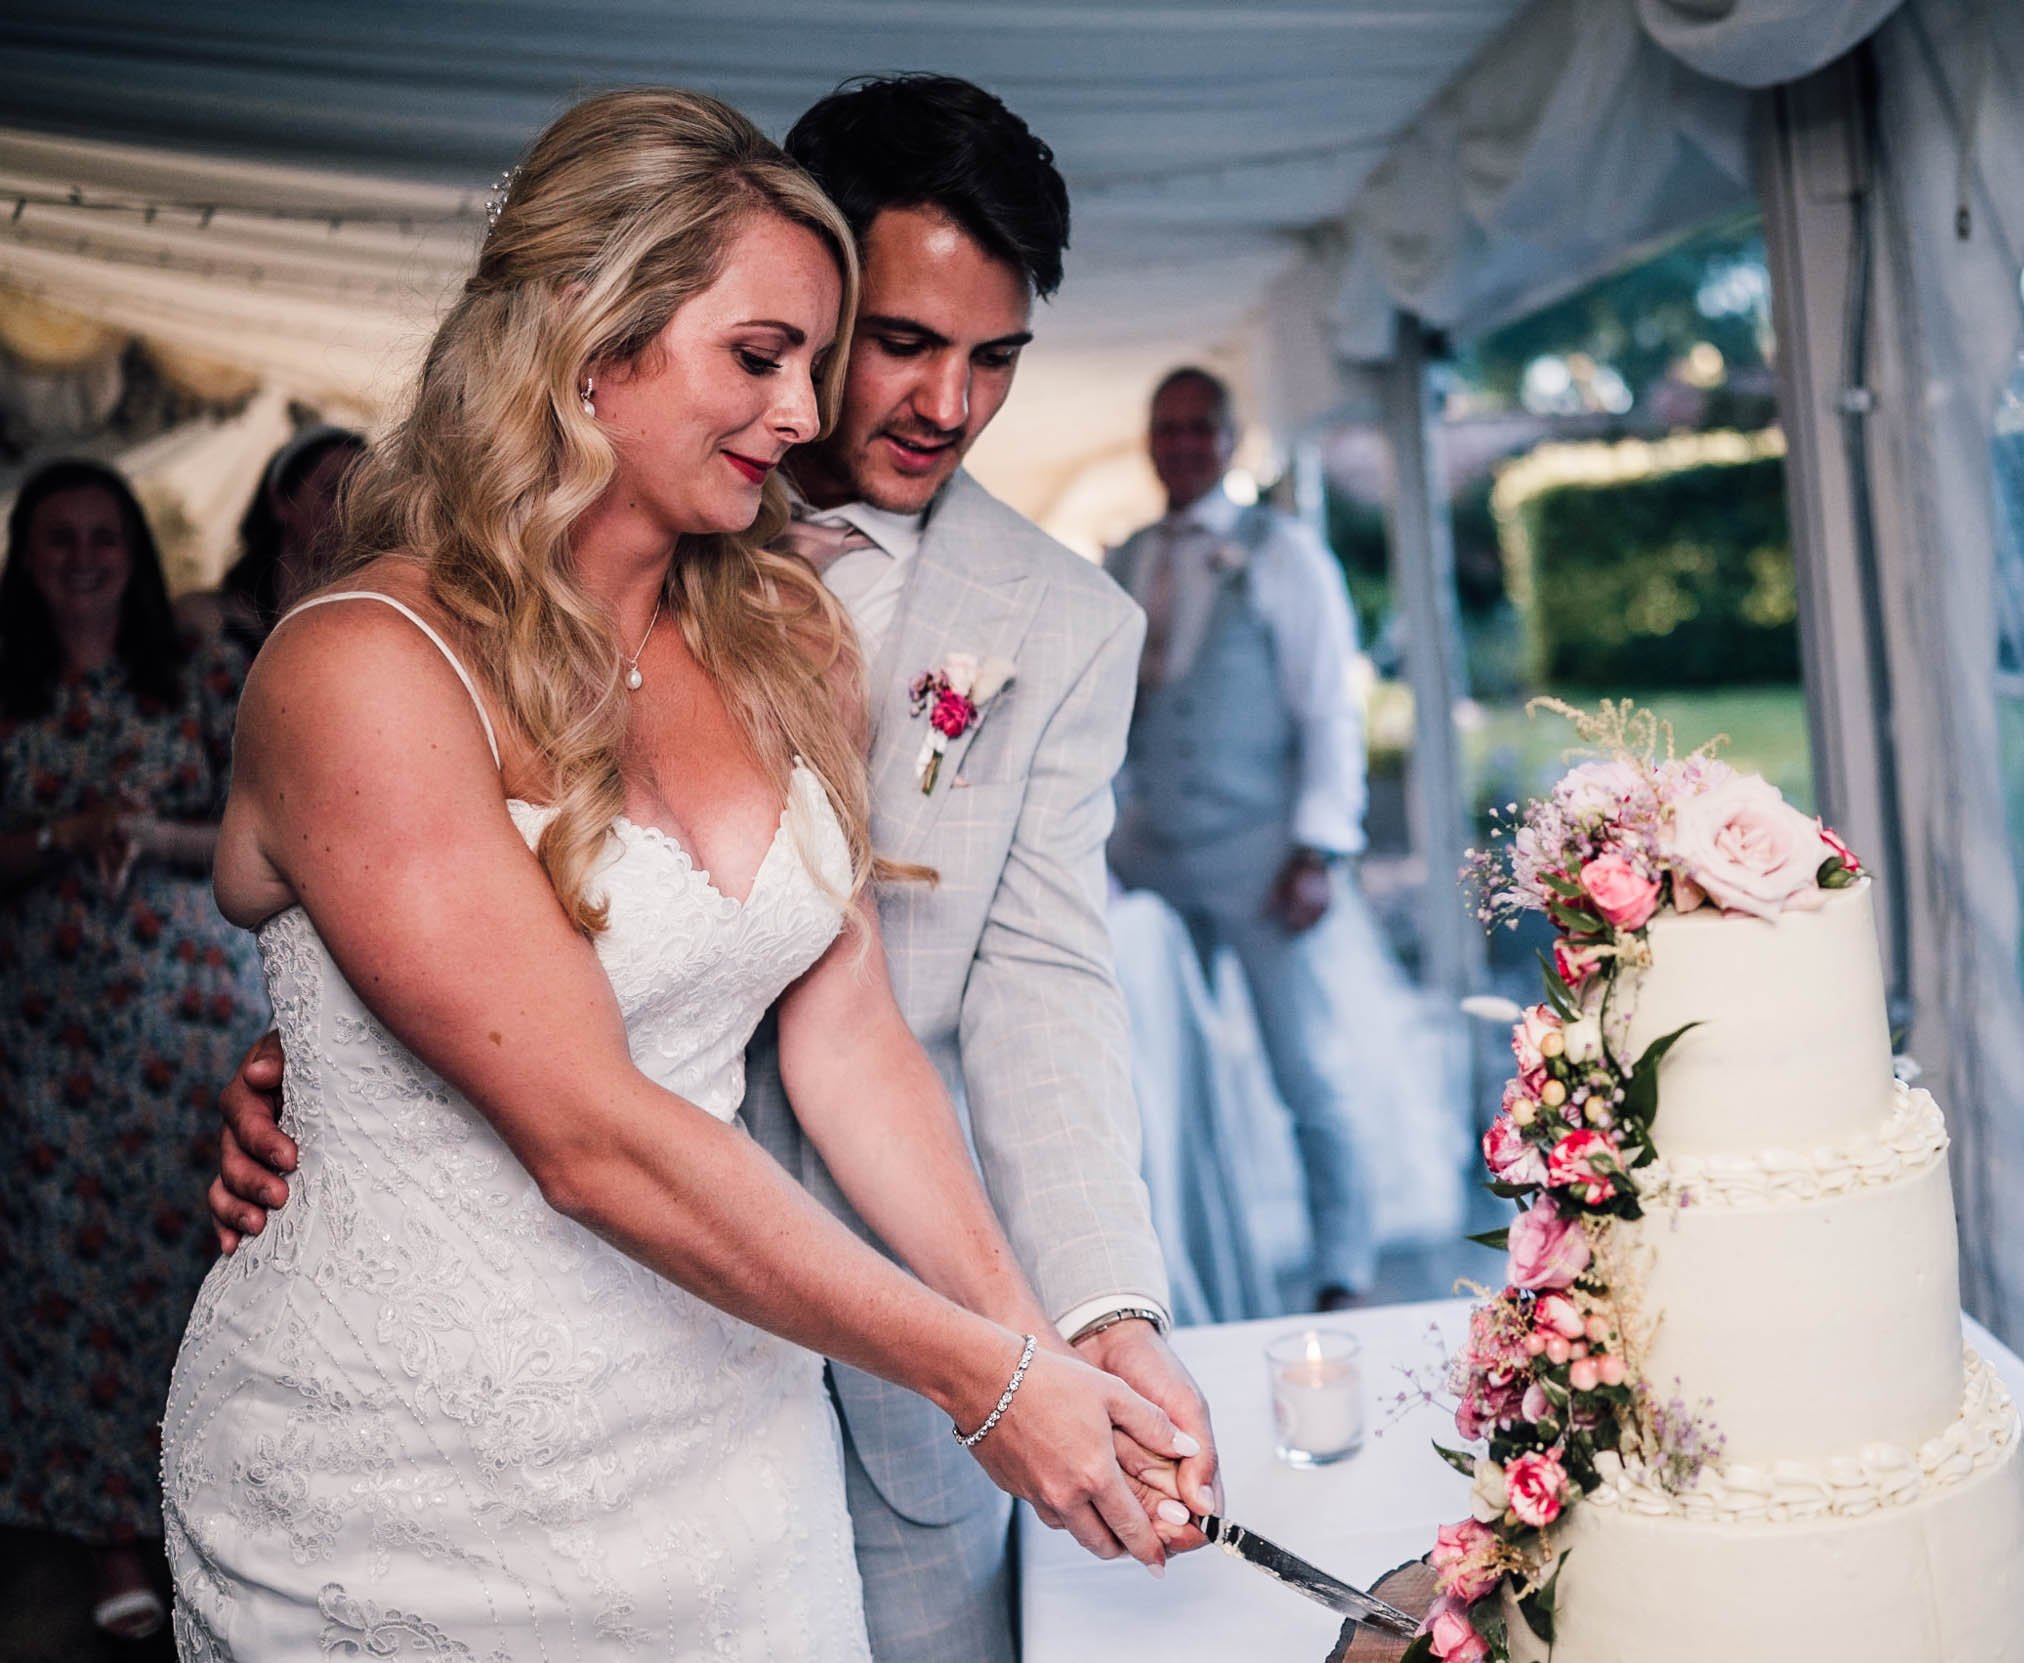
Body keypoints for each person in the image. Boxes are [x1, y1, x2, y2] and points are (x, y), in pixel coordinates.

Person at [161, 88, 1194, 1658]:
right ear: (590, 338)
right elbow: (581, 1124)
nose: (806, 414)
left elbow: (858, 1031)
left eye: (812, 361)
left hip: (729, 1450)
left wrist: (1049, 1344)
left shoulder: (772, 629)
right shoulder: (365, 665)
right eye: (769, 357)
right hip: (423, 1479)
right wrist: (986, 1373)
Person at [0, 458, 268, 1641]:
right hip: (49, 1026)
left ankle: (208, 1517)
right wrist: (62, 831)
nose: (83, 556)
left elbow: (263, 825)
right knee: (67, 1274)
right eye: (58, 537)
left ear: (135, 553)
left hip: (184, 1012)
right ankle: (111, 1533)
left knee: (196, 1253)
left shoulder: (198, 669)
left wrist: (148, 831)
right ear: (25, 554)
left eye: (103, 535)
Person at [1103, 366, 1377, 1308]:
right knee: (1148, 1065)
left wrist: (1318, 849)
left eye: (1198, 429)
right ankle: (1179, 1258)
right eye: (1164, 427)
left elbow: (1329, 710)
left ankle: (1343, 1263)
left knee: (1305, 1064)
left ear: (1228, 441)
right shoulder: (1129, 557)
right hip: (1151, 853)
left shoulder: (1282, 551)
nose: (1180, 445)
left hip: (1261, 855)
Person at [205, 425, 367, 650]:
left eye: (364, 495)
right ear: (281, 501)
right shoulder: (211, 621)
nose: (348, 508)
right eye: (332, 490)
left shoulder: (366, 616)